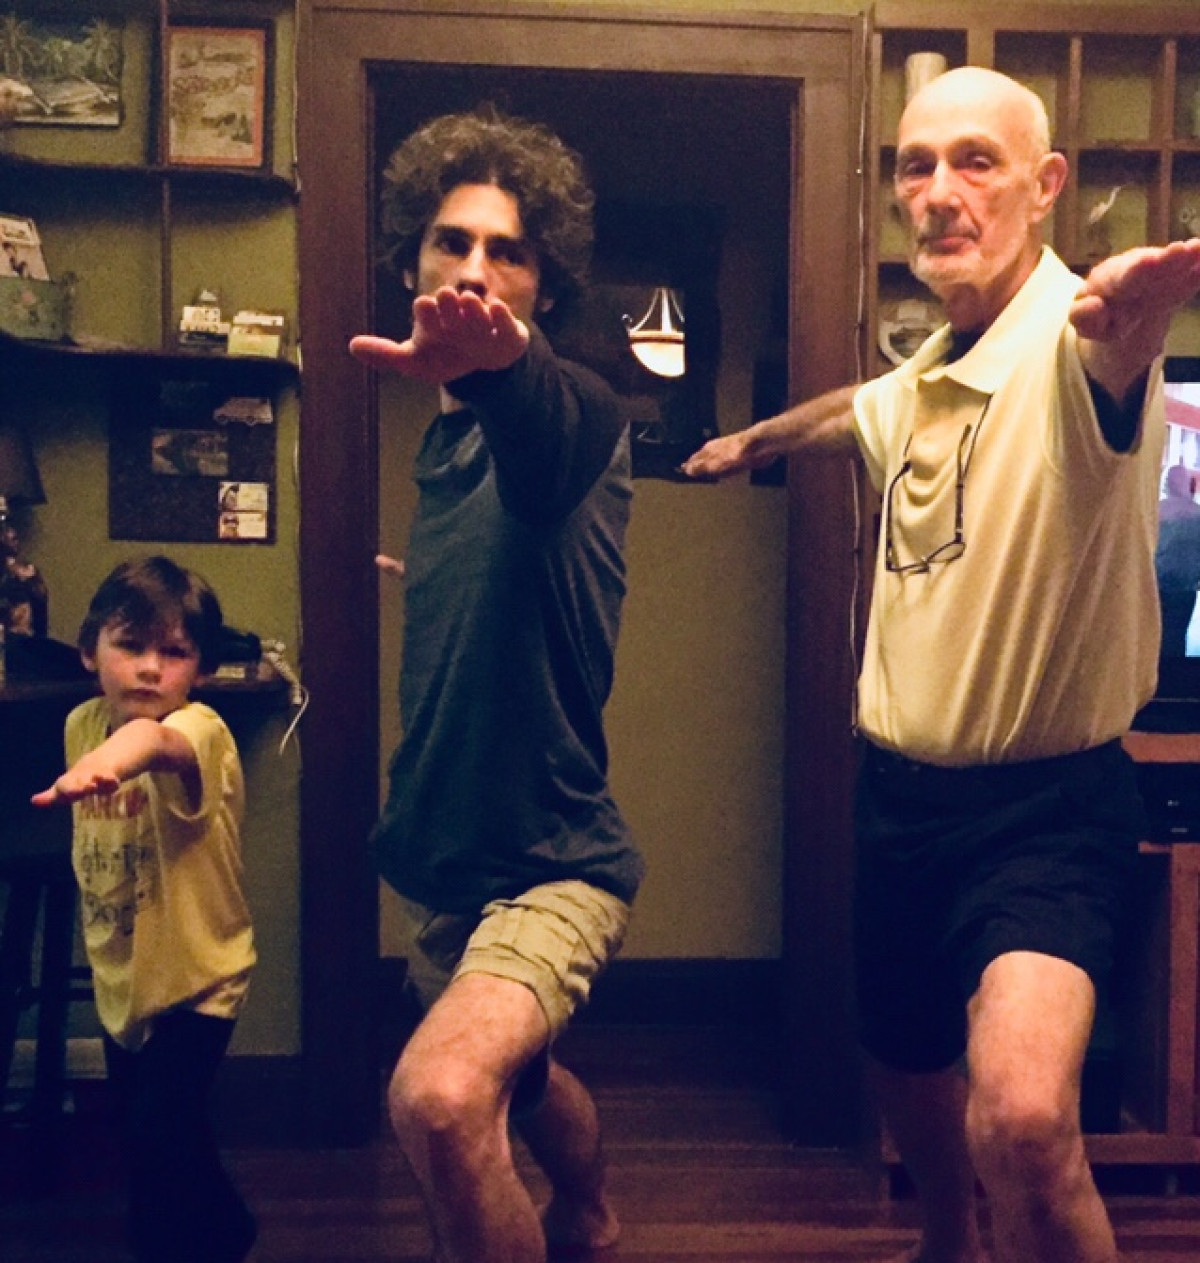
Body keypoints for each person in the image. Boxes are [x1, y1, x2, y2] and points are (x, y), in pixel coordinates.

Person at [684, 66, 1200, 1263]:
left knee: (1021, 1118)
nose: (939, 191)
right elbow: (861, 409)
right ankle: (947, 1242)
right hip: (899, 803)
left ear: (1045, 185)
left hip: (1044, 812)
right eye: (917, 166)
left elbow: (1110, 362)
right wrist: (758, 439)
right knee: (907, 1062)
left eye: (977, 162)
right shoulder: (929, 374)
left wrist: (1138, 322)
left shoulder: (1074, 341)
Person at [348, 106, 643, 1263]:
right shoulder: (443, 444)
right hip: (448, 857)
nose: (475, 268)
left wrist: (507, 370)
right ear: (410, 264)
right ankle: (594, 1211)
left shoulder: (574, 415)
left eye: (507, 251)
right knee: (520, 1085)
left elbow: (548, 438)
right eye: (451, 241)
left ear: (545, 286)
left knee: (439, 1097)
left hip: (553, 860)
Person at [32, 555, 257, 1263]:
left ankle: (214, 1236)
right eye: (131, 645)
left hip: (200, 978)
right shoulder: (81, 724)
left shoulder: (201, 730)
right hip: (125, 976)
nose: (151, 668)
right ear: (89, 650)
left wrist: (107, 763)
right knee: (148, 1134)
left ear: (201, 669)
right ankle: (210, 1231)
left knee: (160, 1127)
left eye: (175, 652)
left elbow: (153, 741)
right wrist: (92, 757)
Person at [1155, 462, 1200, 656]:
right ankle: (1175, 669)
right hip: (1186, 587)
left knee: (1155, 635)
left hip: (1156, 586)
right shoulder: (1198, 513)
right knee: (1178, 634)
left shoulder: (1155, 511)